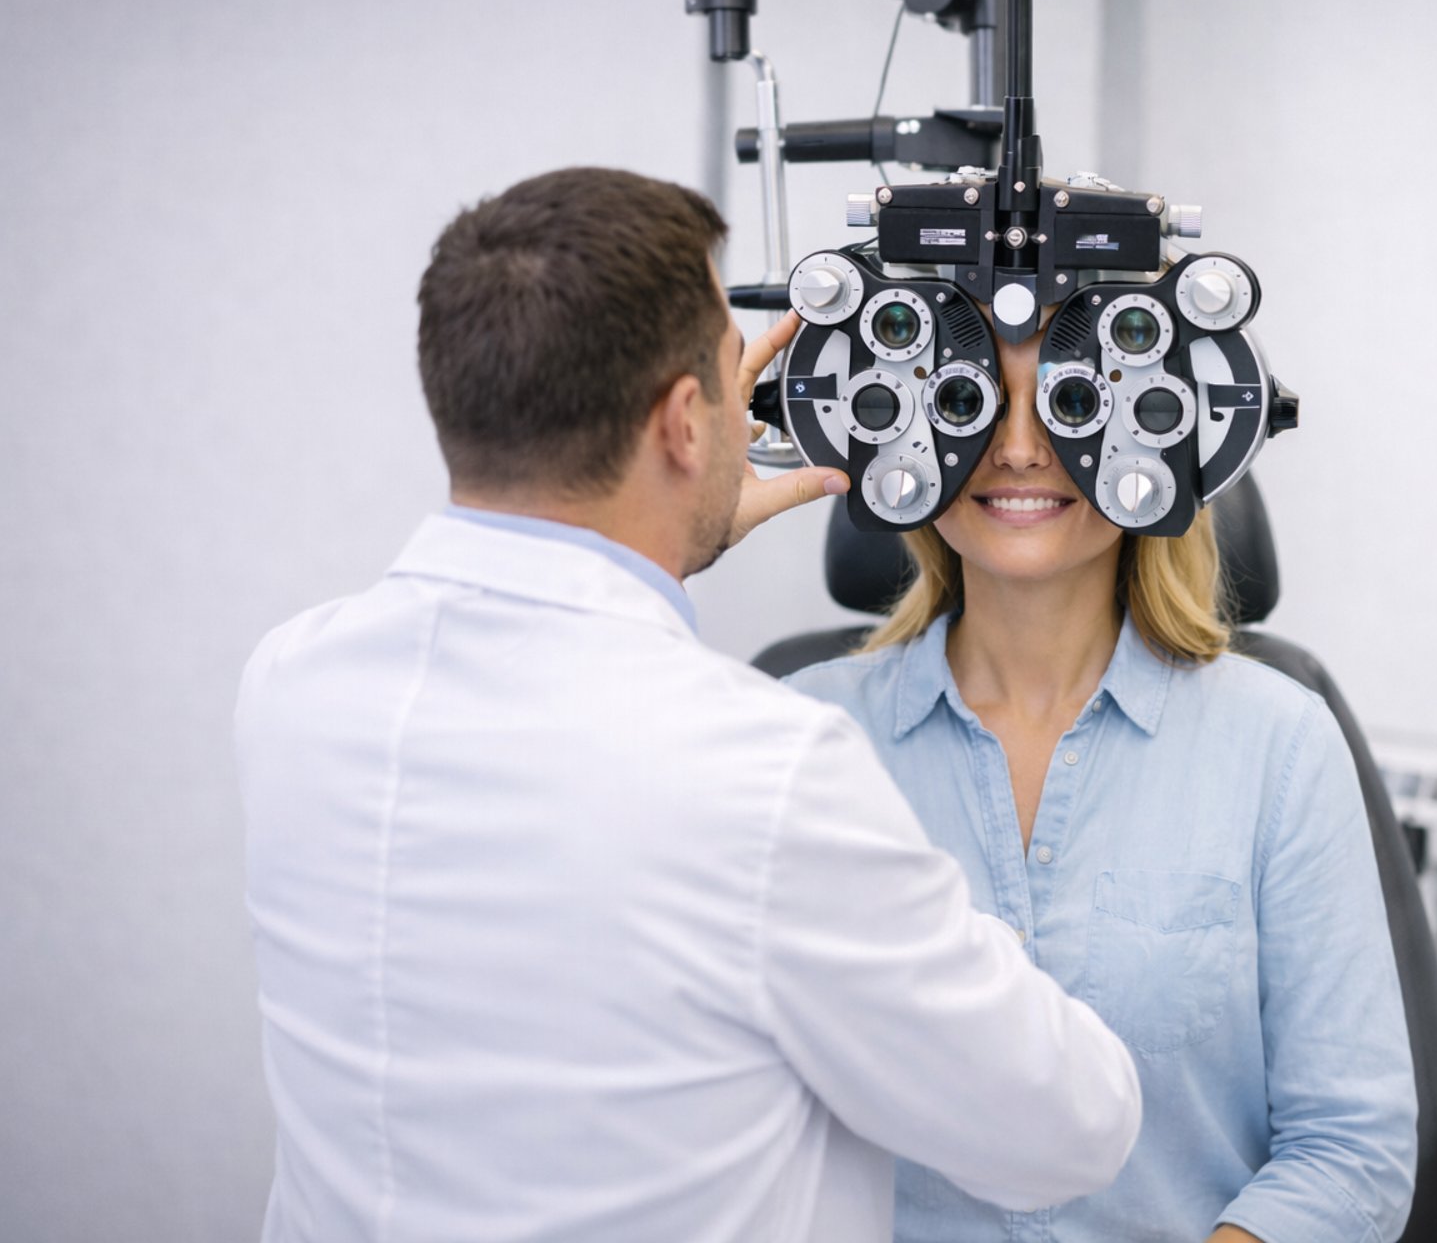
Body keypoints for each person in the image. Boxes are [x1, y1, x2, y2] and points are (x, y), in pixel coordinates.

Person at [234, 167, 1141, 1243]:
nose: (755, 399)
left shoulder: (292, 683)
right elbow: (1067, 1130)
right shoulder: (761, 767)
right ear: (680, 423)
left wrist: (665, 539)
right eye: (732, 374)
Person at [784, 310, 1419, 1241]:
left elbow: (1352, 1148)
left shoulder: (1278, 743)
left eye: (1073, 403)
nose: (1017, 448)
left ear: (1156, 438)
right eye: (966, 403)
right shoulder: (803, 738)